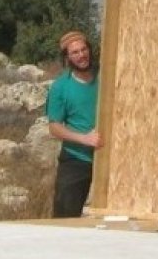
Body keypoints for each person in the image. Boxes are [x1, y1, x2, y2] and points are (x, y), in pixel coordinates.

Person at [46, 30, 103, 217]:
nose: (81, 55)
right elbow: (54, 127)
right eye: (75, 53)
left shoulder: (107, 78)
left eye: (84, 49)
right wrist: (84, 139)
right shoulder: (60, 87)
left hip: (110, 158)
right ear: (67, 58)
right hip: (76, 158)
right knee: (64, 217)